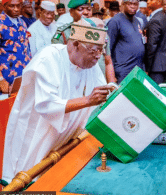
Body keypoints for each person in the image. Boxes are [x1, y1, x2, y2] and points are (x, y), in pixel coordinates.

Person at [2, 18, 113, 183]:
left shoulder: (90, 63)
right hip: (37, 135)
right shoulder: (49, 58)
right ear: (75, 44)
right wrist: (88, 100)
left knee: (56, 180)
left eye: (101, 50)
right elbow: (47, 105)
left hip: (65, 139)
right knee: (30, 181)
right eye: (93, 50)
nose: (98, 56)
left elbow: (101, 93)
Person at [107, 0, 145, 83]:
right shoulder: (115, 21)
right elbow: (108, 50)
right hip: (123, 71)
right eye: (130, 4)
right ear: (123, 5)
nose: (132, 6)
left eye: (135, 4)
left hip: (137, 70)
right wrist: (111, 75)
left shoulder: (137, 21)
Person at [0, 0, 31, 93]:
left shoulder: (22, 22)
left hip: (24, 78)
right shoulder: (1, 24)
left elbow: (27, 50)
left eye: (18, 6)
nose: (16, 9)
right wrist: (0, 80)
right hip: (6, 80)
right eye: (12, 6)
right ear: (4, 6)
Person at [145, 0, 166, 84]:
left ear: (159, 2)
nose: (148, 1)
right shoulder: (161, 15)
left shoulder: (156, 19)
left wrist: (147, 67)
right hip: (161, 64)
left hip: (156, 66)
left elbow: (152, 45)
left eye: (151, 0)